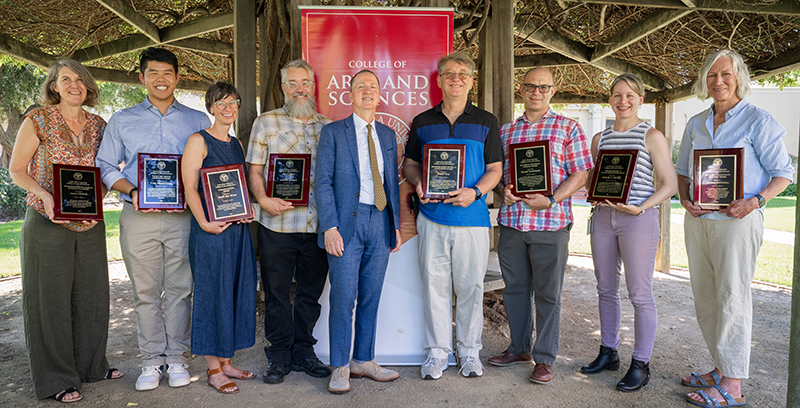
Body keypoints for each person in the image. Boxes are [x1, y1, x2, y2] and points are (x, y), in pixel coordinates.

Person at [676, 49, 792, 408]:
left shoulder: (759, 119)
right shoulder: (696, 122)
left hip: (738, 222)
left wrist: (755, 201)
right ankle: (719, 367)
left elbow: (784, 174)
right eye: (711, 76)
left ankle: (733, 384)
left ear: (739, 76)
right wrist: (685, 199)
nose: (719, 81)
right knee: (707, 298)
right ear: (704, 81)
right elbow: (683, 171)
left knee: (732, 298)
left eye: (725, 74)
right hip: (699, 220)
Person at [96, 47, 211, 391]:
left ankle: (176, 358)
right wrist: (132, 191)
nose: (161, 79)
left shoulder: (197, 120)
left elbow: (210, 168)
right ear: (142, 77)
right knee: (145, 292)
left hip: (183, 218)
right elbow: (104, 166)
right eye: (153, 73)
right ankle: (150, 361)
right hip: (138, 216)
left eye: (167, 73)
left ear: (177, 77)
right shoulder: (122, 119)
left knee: (180, 290)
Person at [9, 58, 122, 403]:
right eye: (66, 79)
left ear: (88, 86)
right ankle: (56, 377)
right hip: (46, 222)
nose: (75, 84)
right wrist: (44, 196)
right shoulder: (38, 120)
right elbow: (17, 169)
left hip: (90, 221)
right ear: (54, 86)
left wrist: (98, 203)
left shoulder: (100, 125)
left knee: (92, 296)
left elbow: (104, 172)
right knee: (49, 301)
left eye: (80, 79)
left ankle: (91, 365)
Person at [487, 67, 592, 384]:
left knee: (549, 294)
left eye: (543, 87)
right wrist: (502, 188)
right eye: (531, 86)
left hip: (550, 222)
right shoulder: (506, 132)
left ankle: (545, 359)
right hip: (513, 223)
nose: (536, 92)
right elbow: (497, 172)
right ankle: (519, 348)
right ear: (521, 89)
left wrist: (553, 198)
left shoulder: (568, 127)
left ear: (552, 91)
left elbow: (580, 174)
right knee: (516, 290)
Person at [402, 52, 503, 380]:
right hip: (431, 217)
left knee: (471, 288)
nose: (456, 79)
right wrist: (418, 183)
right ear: (440, 79)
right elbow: (410, 164)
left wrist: (474, 192)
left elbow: (495, 170)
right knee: (434, 288)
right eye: (449, 74)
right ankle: (437, 354)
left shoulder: (486, 122)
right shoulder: (423, 121)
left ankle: (470, 352)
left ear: (471, 80)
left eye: (463, 74)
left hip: (472, 219)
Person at [580, 73, 677, 392]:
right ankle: (608, 352)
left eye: (630, 95)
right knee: (605, 288)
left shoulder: (652, 136)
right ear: (609, 100)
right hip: (604, 217)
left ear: (641, 99)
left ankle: (640, 363)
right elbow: (594, 178)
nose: (623, 101)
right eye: (617, 95)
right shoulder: (600, 139)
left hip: (637, 219)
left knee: (639, 292)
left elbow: (670, 184)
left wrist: (642, 206)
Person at [315, 69, 402, 394]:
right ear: (349, 95)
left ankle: (363, 360)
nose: (367, 90)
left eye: (373, 86)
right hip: (346, 224)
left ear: (380, 95)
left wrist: (394, 225)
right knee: (343, 296)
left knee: (371, 295)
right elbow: (322, 182)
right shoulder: (333, 133)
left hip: (380, 221)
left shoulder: (388, 135)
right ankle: (340, 365)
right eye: (361, 86)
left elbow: (391, 183)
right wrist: (330, 227)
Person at [246, 59, 332, 384]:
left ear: (313, 86)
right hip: (276, 226)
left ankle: (304, 352)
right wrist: (262, 199)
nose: (299, 89)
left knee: (310, 295)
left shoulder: (329, 126)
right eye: (292, 83)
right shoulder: (265, 122)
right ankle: (279, 355)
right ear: (283, 88)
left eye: (305, 82)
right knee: (277, 294)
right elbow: (254, 170)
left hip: (316, 226)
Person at [182, 82, 257, 394]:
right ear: (211, 107)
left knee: (235, 292)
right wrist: (205, 223)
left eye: (234, 102)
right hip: (210, 233)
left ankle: (227, 363)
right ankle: (214, 369)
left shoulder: (236, 142)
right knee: (214, 295)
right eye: (222, 103)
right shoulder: (198, 140)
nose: (229, 108)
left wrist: (247, 209)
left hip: (237, 232)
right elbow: (189, 188)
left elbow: (235, 190)